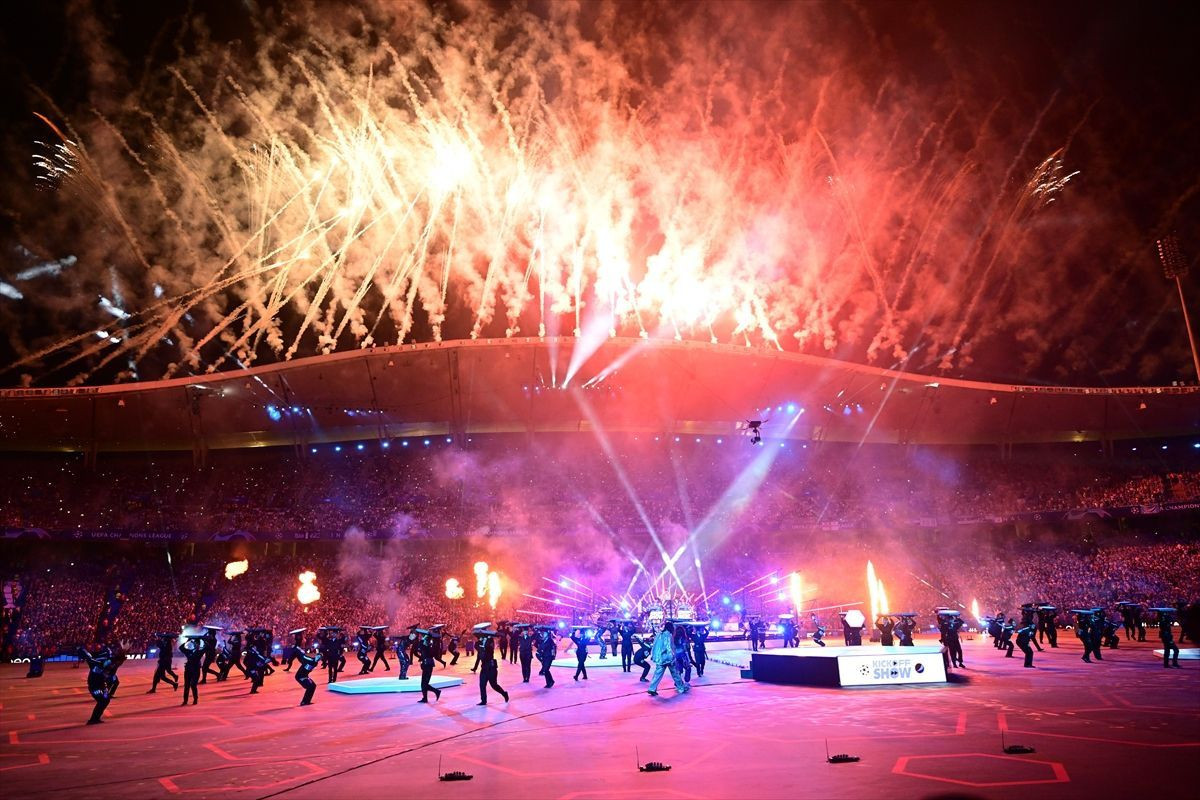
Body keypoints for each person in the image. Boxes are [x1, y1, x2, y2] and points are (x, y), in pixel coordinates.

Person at [79, 643, 118, 725]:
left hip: (101, 684)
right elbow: (87, 655)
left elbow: (110, 675)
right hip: (94, 686)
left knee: (105, 700)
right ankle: (93, 719)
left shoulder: (109, 665)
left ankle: (95, 718)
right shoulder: (99, 663)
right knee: (103, 700)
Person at [647, 623, 689, 697]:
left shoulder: (659, 635)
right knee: (675, 674)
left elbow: (654, 646)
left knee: (657, 674)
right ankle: (681, 688)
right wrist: (672, 657)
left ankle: (652, 688)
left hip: (660, 659)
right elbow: (669, 647)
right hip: (668, 658)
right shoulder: (668, 635)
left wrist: (654, 656)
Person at [474, 629, 510, 706]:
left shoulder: (490, 641)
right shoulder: (479, 643)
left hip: (491, 668)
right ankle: (483, 700)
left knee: (494, 685)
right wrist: (481, 643)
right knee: (482, 685)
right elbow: (476, 646)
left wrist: (487, 639)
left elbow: (489, 649)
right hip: (484, 668)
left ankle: (504, 693)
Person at [416, 629, 441, 703]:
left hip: (428, 665)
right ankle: (427, 697)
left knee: (424, 684)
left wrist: (423, 640)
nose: (422, 638)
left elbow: (420, 647)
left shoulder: (427, 646)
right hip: (427, 665)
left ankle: (436, 692)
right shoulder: (428, 646)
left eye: (423, 637)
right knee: (424, 683)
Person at [179, 635, 205, 706]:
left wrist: (203, 640)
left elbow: (207, 647)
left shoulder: (200, 652)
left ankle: (195, 699)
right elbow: (181, 647)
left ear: (199, 645)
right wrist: (188, 640)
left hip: (196, 670)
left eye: (197, 644)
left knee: (193, 685)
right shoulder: (188, 651)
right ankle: (185, 701)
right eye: (195, 644)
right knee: (186, 685)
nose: (196, 645)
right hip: (188, 670)